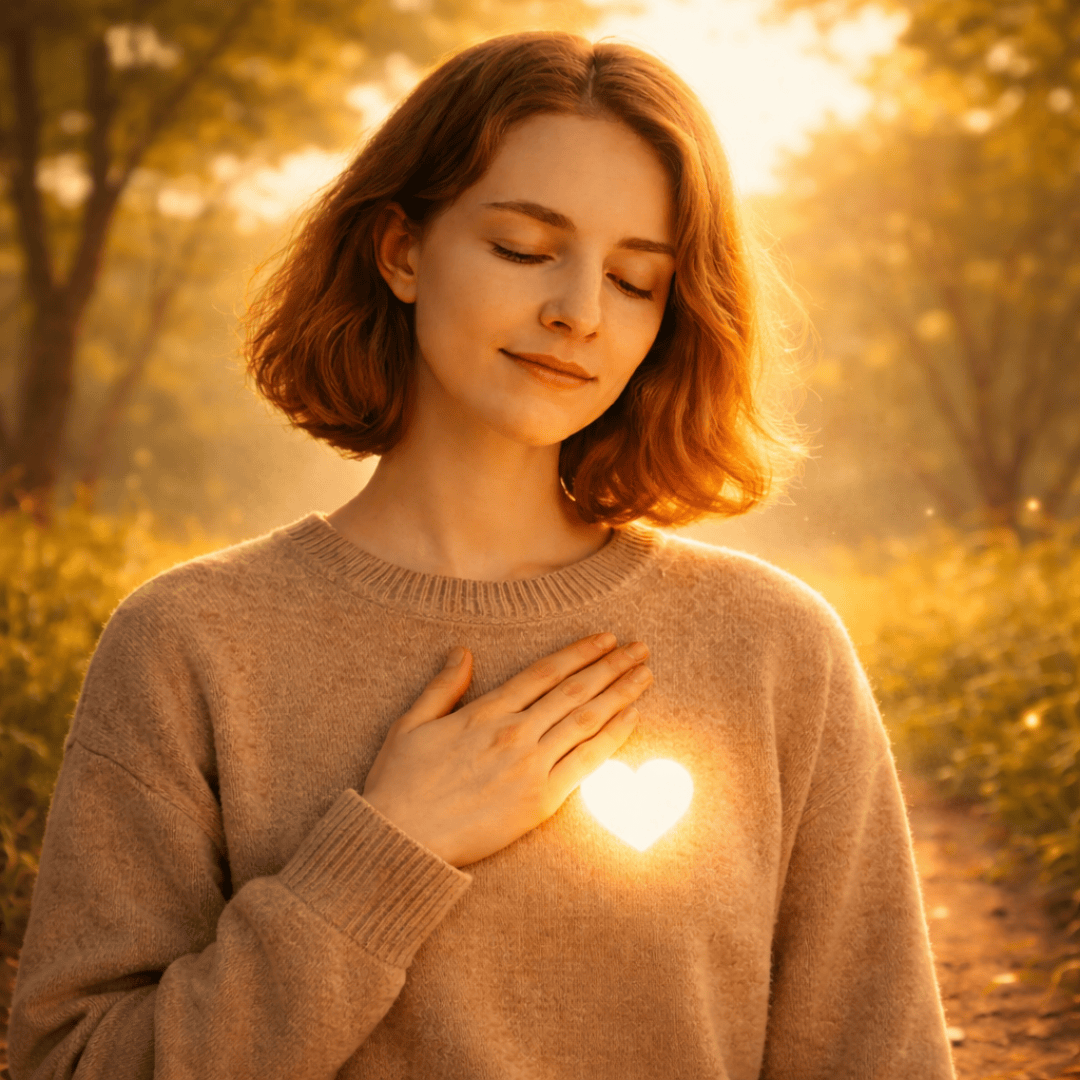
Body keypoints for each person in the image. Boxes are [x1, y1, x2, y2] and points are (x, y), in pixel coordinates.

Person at [8, 30, 956, 1080]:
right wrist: (382, 857)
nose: (578, 311)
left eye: (638, 280)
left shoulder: (777, 649)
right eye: (521, 248)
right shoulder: (190, 643)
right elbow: (73, 1066)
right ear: (402, 250)